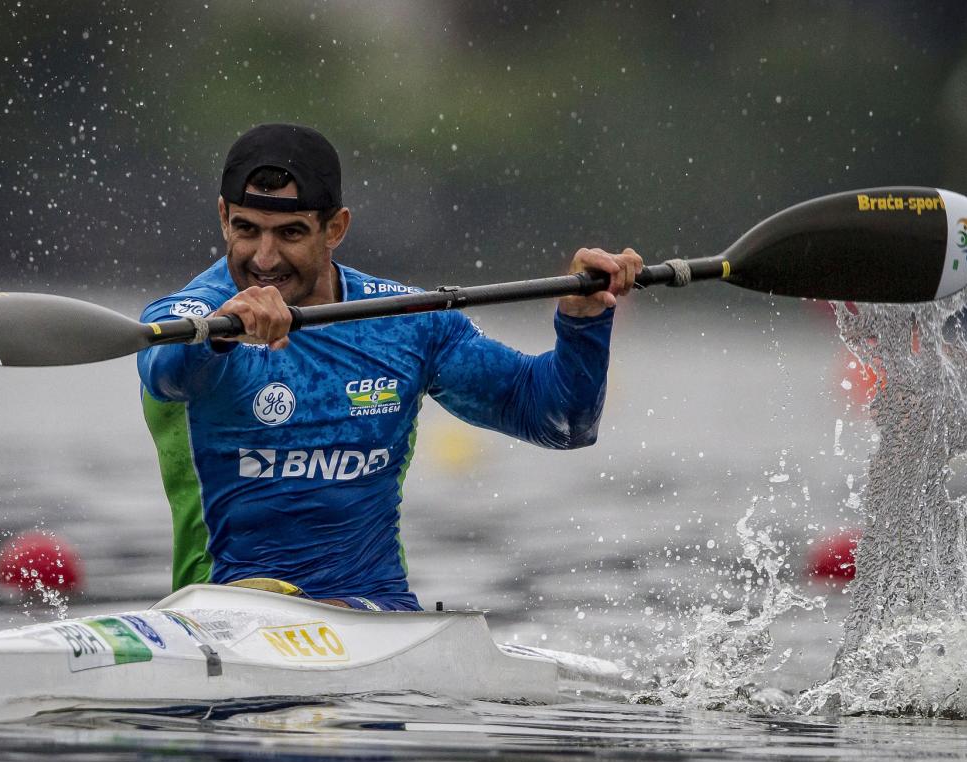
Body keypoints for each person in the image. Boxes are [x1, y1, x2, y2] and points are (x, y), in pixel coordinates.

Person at [138, 123, 641, 611]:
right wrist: (222, 334)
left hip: (377, 616)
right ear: (224, 216)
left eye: (290, 233)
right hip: (223, 614)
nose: (265, 258)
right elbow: (166, 370)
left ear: (335, 228)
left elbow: (561, 421)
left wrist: (583, 321)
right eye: (247, 229)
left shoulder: (406, 322)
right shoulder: (189, 317)